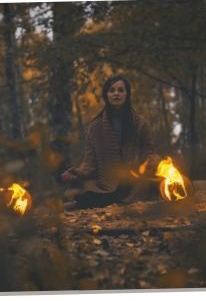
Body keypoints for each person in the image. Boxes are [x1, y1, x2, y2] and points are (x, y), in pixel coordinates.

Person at [61, 75, 161, 209]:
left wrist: (152, 163)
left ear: (127, 94)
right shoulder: (95, 127)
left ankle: (83, 203)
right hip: (105, 182)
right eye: (112, 90)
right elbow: (89, 163)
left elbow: (149, 153)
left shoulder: (140, 123)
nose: (116, 94)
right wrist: (75, 173)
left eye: (121, 90)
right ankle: (84, 201)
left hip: (133, 179)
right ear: (106, 95)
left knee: (149, 185)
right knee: (87, 187)